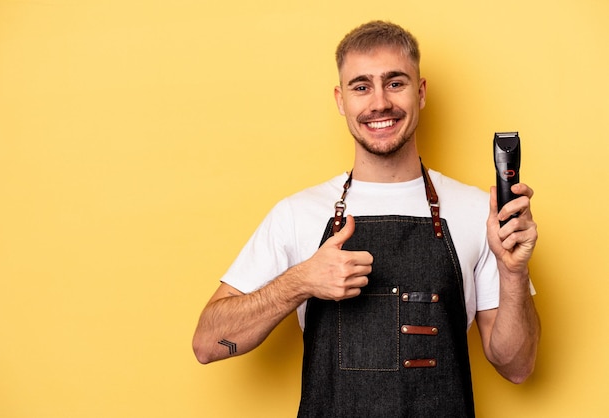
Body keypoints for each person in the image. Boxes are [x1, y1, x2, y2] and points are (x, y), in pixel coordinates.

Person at [193, 20, 540, 417]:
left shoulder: (478, 211)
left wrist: (514, 271)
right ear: (341, 101)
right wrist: (301, 280)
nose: (379, 103)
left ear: (420, 92)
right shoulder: (297, 214)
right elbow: (208, 344)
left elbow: (517, 366)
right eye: (361, 87)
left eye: (395, 83)